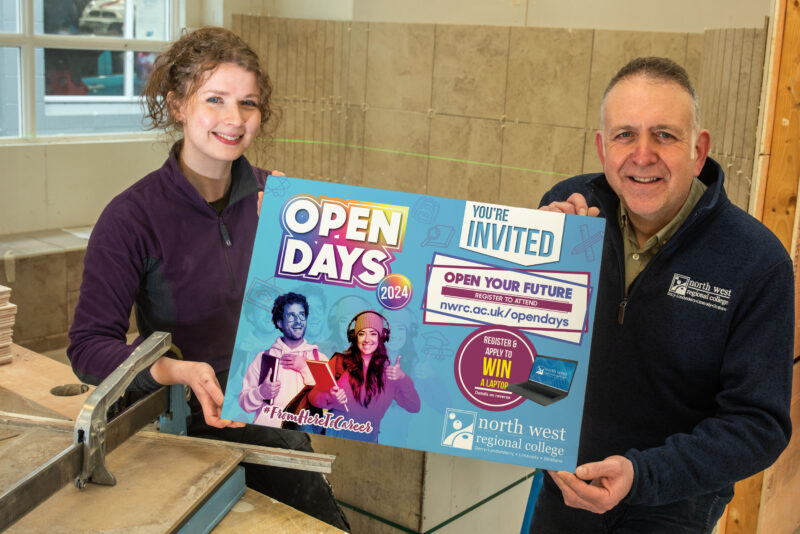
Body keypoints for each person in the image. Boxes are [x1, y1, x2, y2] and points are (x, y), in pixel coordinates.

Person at [67, 26, 349, 530]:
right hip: (175, 424)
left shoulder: (282, 203)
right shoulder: (131, 217)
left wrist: (292, 250)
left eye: (248, 103)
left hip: (268, 417)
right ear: (177, 106)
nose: (234, 119)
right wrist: (174, 370)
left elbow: (326, 321)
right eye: (214, 99)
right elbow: (88, 349)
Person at [529, 56, 794, 533]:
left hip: (672, 508)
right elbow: (527, 345)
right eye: (625, 134)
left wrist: (642, 475)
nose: (642, 154)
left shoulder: (757, 261)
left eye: (664, 135)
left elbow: (759, 426)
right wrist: (538, 258)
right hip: (564, 487)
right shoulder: (571, 215)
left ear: (699, 149)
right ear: (601, 147)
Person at [309, 310, 421, 442]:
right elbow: (313, 397)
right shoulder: (338, 362)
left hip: (366, 445)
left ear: (382, 337)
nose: (367, 339)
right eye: (362, 334)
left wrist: (403, 379)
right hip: (333, 438)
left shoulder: (391, 374)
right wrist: (330, 398)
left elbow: (414, 406)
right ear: (354, 337)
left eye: (373, 333)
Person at [239, 292, 328, 427]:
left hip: (301, 436)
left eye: (301, 315)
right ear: (279, 323)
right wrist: (260, 392)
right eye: (291, 316)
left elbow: (328, 399)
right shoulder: (263, 358)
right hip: (266, 435)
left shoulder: (319, 358)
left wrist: (305, 368)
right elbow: (244, 403)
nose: (298, 321)